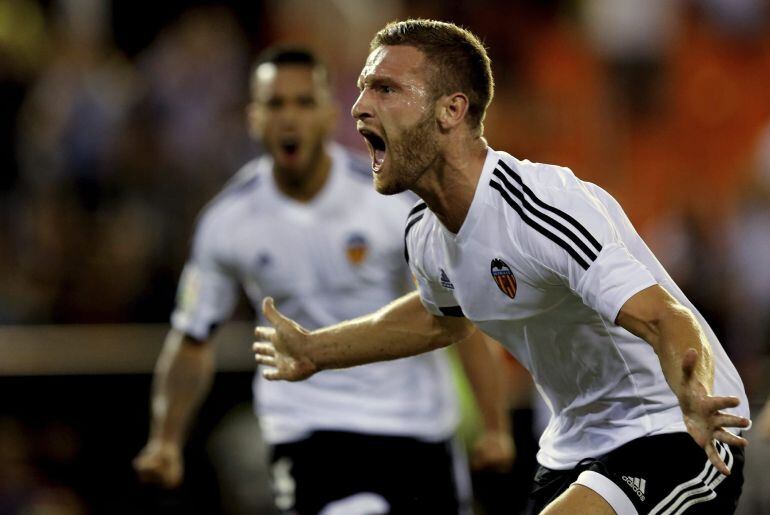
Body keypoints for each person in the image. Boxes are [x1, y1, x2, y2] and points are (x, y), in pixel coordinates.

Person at [253, 20, 752, 515]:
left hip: (675, 430)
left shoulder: (541, 209)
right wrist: (318, 349)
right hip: (573, 449)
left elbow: (663, 315)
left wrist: (695, 391)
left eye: (385, 88)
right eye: (363, 89)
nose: (360, 106)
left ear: (451, 110)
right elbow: (438, 317)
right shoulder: (424, 235)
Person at [133, 46, 513, 515]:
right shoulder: (227, 222)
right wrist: (165, 439)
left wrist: (494, 425)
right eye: (275, 104)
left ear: (331, 114)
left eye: (304, 102)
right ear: (254, 118)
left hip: (415, 427)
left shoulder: (392, 201)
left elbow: (455, 311)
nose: (289, 118)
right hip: (308, 430)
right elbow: (192, 338)